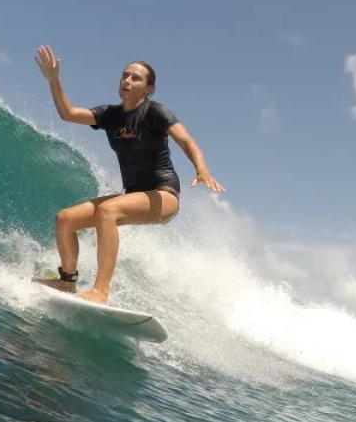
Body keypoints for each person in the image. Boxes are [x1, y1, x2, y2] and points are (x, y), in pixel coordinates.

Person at [33, 45, 223, 304]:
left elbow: (187, 142)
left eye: (135, 78)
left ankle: (101, 291)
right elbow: (68, 114)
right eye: (125, 75)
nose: (127, 80)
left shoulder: (155, 112)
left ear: (148, 89)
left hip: (163, 195)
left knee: (108, 211)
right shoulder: (110, 115)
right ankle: (67, 281)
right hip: (134, 194)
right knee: (65, 218)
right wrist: (53, 80)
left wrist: (201, 170)